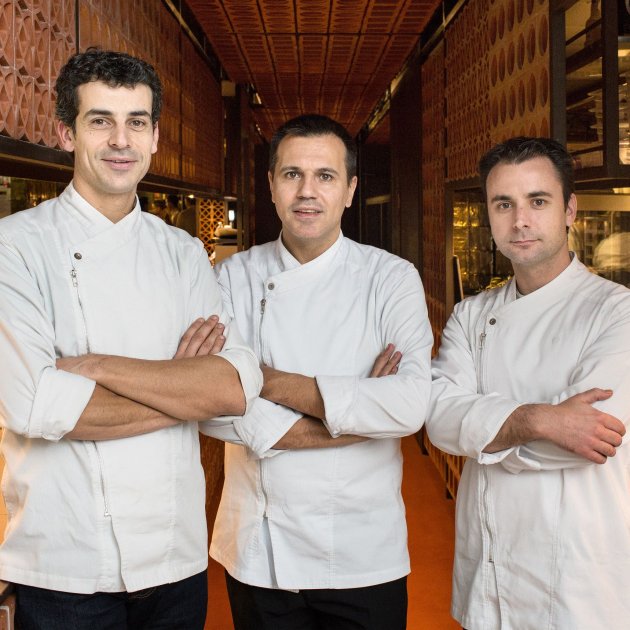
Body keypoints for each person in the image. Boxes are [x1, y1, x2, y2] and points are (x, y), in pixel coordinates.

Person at [0, 48, 262, 629]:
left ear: (155, 137)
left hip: (174, 558)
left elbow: (235, 385)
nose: (121, 140)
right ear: (66, 134)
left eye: (136, 122)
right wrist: (183, 390)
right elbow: (35, 404)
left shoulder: (183, 252)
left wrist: (94, 366)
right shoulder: (14, 246)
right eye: (101, 121)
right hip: (64, 566)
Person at [207, 114, 433, 629]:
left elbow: (409, 406)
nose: (307, 192)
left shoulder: (391, 278)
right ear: (271, 185)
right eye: (292, 174)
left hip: (362, 551)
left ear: (350, 190)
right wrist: (354, 413)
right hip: (259, 548)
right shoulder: (229, 277)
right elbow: (207, 404)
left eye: (325, 176)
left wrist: (261, 380)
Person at [426, 137, 630, 629]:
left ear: (569, 209)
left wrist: (484, 435)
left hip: (579, 580)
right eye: (504, 204)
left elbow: (595, 437)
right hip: (489, 571)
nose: (520, 220)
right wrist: (541, 419)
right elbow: (440, 421)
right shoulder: (471, 315)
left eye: (537, 201)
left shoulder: (616, 311)